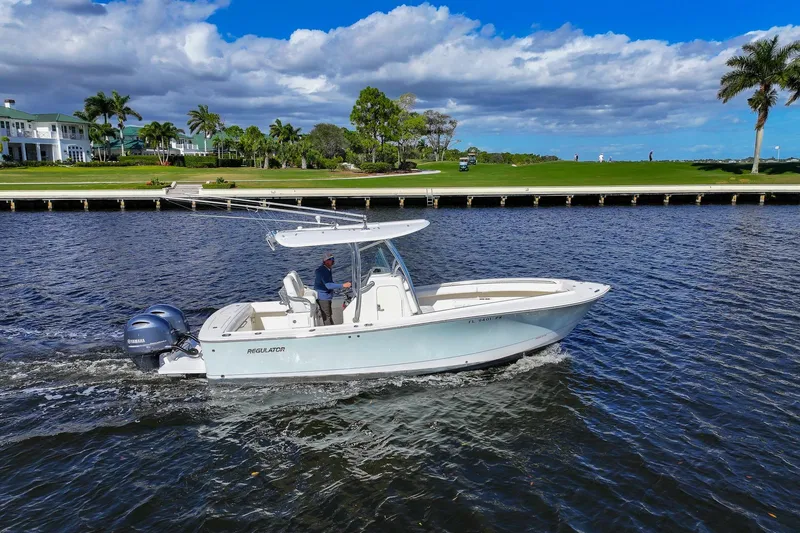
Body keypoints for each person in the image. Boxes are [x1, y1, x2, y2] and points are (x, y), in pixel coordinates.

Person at [314, 252, 351, 326]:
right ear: (325, 261)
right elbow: (328, 285)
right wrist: (343, 285)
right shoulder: (322, 271)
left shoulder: (327, 269)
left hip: (327, 295)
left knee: (329, 314)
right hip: (323, 297)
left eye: (333, 259)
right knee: (327, 317)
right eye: (330, 259)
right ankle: (329, 331)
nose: (332, 260)